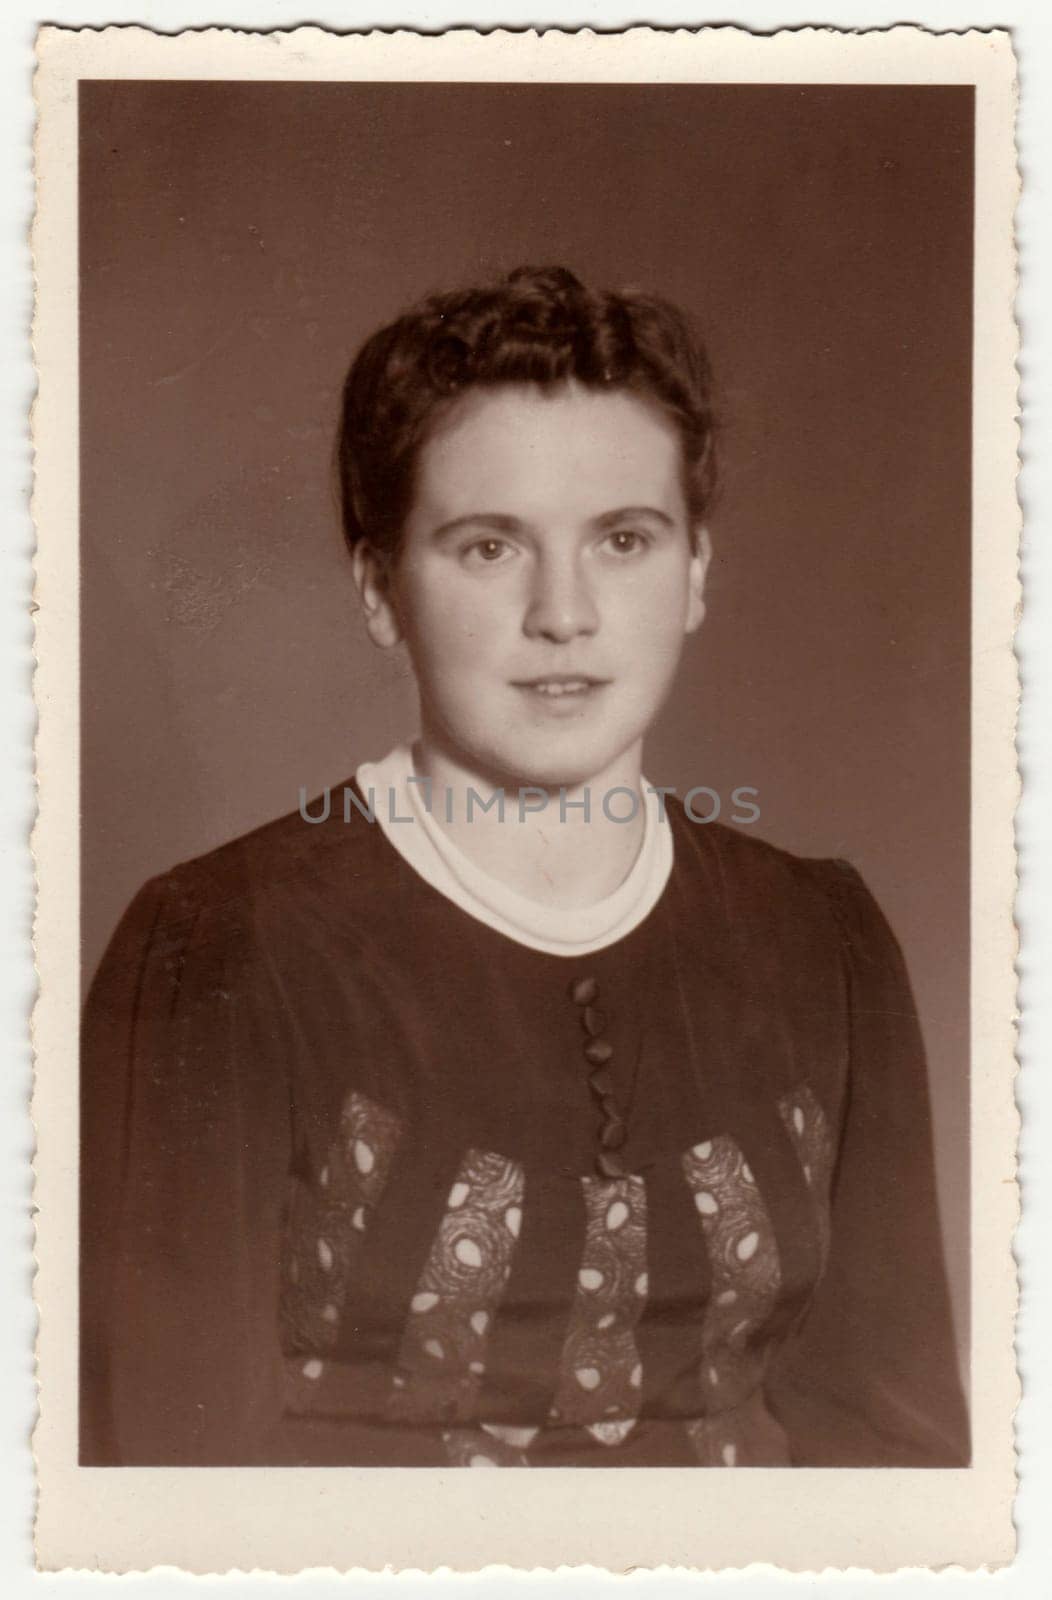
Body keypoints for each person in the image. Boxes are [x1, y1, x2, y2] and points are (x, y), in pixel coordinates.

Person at [80, 265, 970, 1468]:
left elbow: (897, 1466)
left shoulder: (823, 939)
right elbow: (158, 1509)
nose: (565, 612)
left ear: (695, 572)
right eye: (489, 545)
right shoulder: (218, 947)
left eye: (621, 538)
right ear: (378, 588)